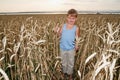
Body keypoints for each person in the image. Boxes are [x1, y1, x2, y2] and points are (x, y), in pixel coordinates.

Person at [53, 9, 79, 80]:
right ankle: (64, 73)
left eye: (73, 18)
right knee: (64, 62)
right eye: (70, 18)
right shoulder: (63, 26)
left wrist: (77, 45)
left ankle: (70, 75)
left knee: (71, 62)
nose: (71, 20)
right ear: (67, 18)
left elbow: (77, 38)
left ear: (76, 19)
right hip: (63, 48)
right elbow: (59, 35)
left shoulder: (76, 28)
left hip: (71, 48)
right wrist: (56, 31)